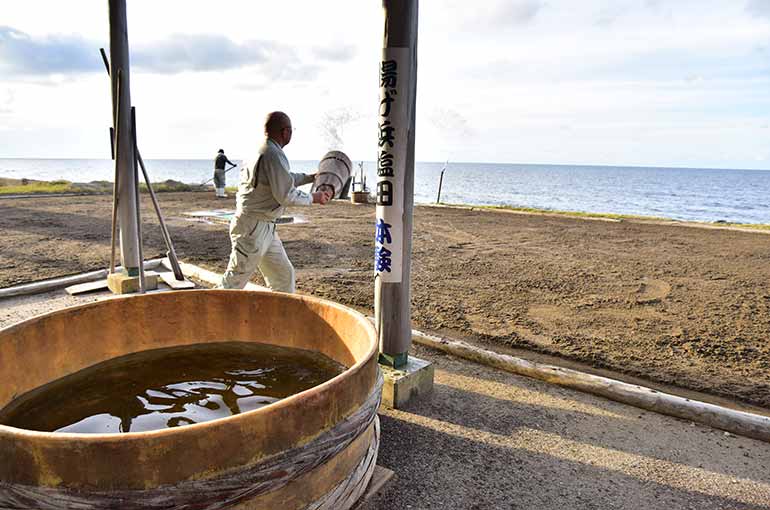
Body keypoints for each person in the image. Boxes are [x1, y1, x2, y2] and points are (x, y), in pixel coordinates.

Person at [220, 112, 332, 293]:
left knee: (283, 275)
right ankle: (207, 316)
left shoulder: (262, 150)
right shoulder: (273, 154)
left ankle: (283, 318)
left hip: (262, 226)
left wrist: (308, 178)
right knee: (234, 281)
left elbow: (281, 178)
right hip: (254, 228)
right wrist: (314, 198)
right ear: (285, 132)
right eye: (291, 130)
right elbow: (285, 195)